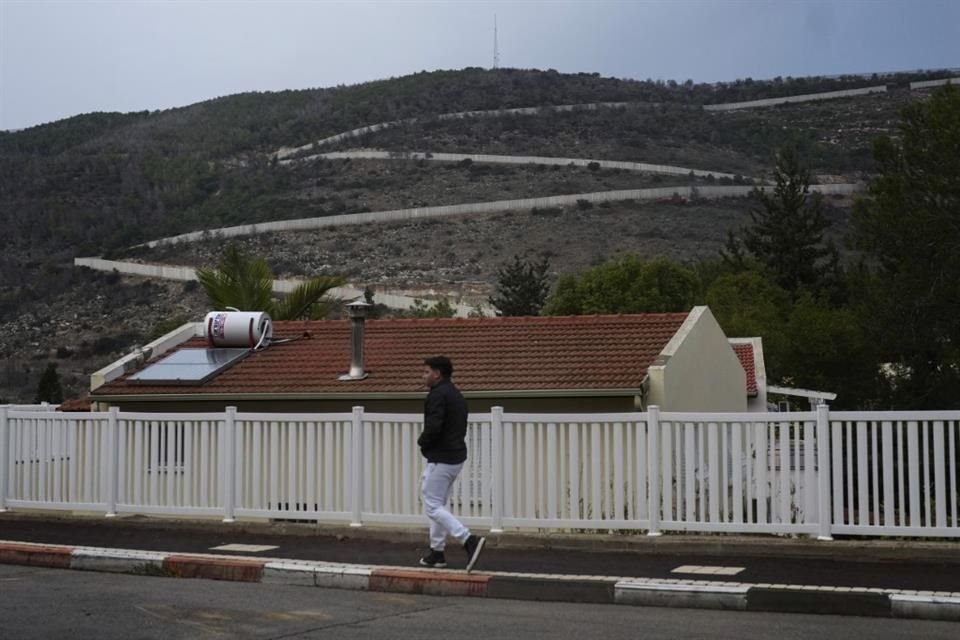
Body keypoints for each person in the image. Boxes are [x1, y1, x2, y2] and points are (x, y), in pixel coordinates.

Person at [417, 355, 485, 572]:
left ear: (437, 374)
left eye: (426, 372)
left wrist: (422, 441)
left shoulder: (437, 395)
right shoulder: (456, 395)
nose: (423, 376)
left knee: (432, 505)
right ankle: (437, 553)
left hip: (441, 457)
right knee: (437, 503)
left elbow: (434, 426)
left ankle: (468, 540)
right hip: (455, 457)